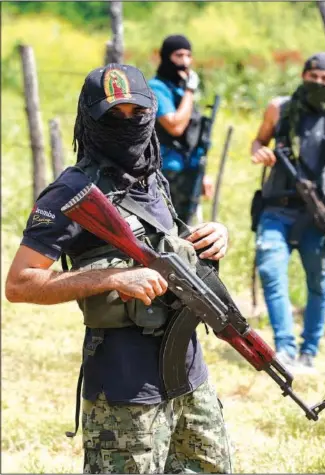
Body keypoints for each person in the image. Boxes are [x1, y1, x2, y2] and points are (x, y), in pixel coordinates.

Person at [5, 63, 232, 474]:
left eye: (138, 114)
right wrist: (112, 278)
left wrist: (211, 237)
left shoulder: (151, 177)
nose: (128, 125)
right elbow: (20, 284)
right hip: (125, 387)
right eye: (113, 116)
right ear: (89, 120)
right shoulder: (71, 193)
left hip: (189, 376)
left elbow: (169, 243)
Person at [250, 52, 325, 369]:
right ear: (303, 76)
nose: (319, 83)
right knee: (270, 269)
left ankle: (309, 350)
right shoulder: (278, 108)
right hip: (277, 206)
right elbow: (258, 142)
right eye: (314, 76)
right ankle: (284, 347)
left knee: (319, 282)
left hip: (319, 214)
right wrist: (260, 153)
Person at [149, 34, 214, 224]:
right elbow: (175, 127)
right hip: (167, 172)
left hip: (190, 169)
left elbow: (193, 137)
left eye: (188, 56)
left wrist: (203, 173)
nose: (185, 62)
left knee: (186, 230)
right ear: (167, 56)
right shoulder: (158, 87)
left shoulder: (181, 88)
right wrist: (190, 91)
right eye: (179, 55)